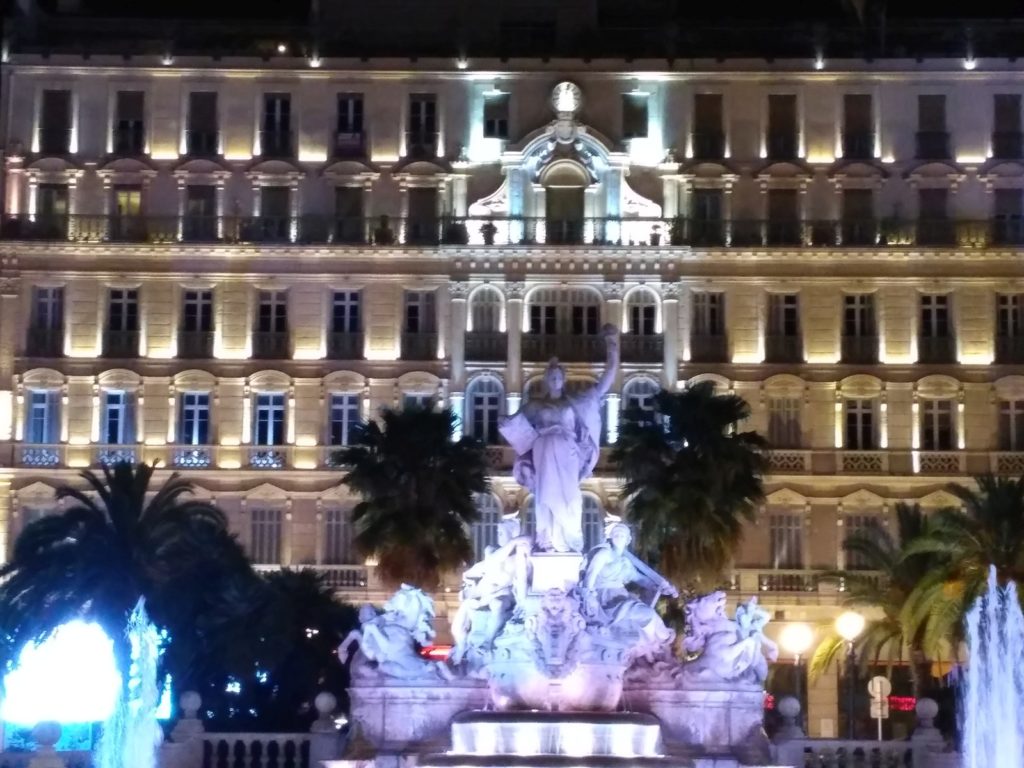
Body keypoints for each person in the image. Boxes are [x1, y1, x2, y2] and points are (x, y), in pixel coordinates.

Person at [499, 324, 619, 552]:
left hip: (568, 456)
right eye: (551, 376)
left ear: (563, 379)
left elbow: (605, 382)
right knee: (544, 498)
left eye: (558, 376)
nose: (554, 379)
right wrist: (505, 422)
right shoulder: (535, 405)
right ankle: (546, 540)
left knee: (571, 499)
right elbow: (515, 423)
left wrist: (612, 345)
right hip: (542, 454)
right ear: (546, 379)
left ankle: (569, 541)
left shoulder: (575, 402)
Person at [581, 522, 678, 659]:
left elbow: (639, 579)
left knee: (648, 615)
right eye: (616, 534)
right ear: (610, 537)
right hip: (605, 599)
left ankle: (657, 645)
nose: (619, 537)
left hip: (621, 596)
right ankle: (659, 643)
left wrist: (660, 587)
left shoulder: (625, 562)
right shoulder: (604, 553)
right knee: (647, 614)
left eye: (622, 535)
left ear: (628, 540)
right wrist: (589, 597)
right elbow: (590, 576)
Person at [450, 517, 532, 663]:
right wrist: (513, 542)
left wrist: (522, 601)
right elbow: (494, 560)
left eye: (501, 532)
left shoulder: (520, 557)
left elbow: (522, 579)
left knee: (498, 604)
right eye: (498, 532)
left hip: (503, 594)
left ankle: (487, 643)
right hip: (481, 593)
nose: (498, 535)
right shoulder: (492, 550)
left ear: (511, 532)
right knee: (458, 625)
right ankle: (461, 648)